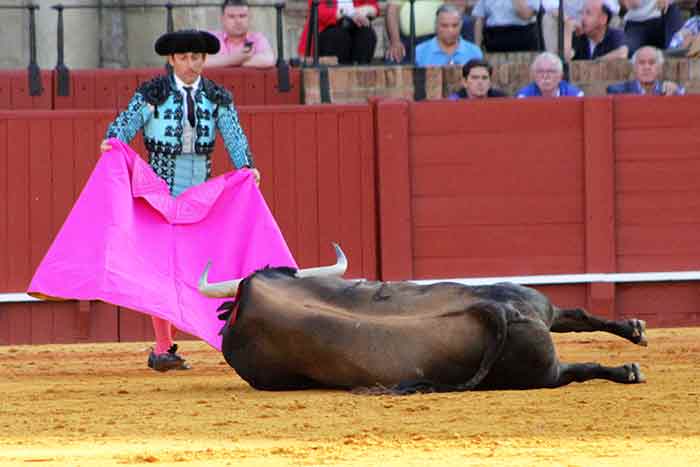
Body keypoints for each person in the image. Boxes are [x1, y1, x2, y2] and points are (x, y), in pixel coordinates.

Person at [101, 29, 261, 372]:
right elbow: (122, 130)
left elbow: (234, 135)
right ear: (172, 60)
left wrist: (246, 168)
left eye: (198, 58)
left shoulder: (217, 96)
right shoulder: (152, 94)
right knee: (162, 269)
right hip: (158, 191)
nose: (192, 65)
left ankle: (217, 338)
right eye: (185, 58)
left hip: (200, 194)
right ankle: (162, 348)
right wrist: (112, 143)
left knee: (207, 264)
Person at [385, 0, 475, 63]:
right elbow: (392, 11)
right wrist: (395, 41)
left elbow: (459, 6)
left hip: (437, 39)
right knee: (391, 66)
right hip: (407, 41)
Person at [297, 0, 379, 64]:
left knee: (367, 35)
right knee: (338, 36)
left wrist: (365, 10)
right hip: (327, 32)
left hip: (355, 28)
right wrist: (350, 12)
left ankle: (360, 78)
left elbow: (374, 7)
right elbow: (319, 11)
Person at [206, 0, 275, 68]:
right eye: (231, 16)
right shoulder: (213, 38)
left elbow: (269, 60)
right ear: (223, 19)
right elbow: (201, 62)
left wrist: (223, 62)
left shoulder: (257, 39)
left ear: (250, 18)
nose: (238, 21)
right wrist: (239, 58)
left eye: (242, 16)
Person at [415, 4, 483, 66]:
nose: (450, 30)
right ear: (436, 25)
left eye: (455, 25)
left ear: (461, 25)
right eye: (444, 26)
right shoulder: (420, 52)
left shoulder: (474, 52)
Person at [606, 45, 684, 94]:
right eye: (641, 63)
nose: (647, 67)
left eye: (652, 63)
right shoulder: (617, 91)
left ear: (660, 68)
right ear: (634, 68)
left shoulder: (670, 90)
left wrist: (676, 91)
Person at [472, 0, 542, 52]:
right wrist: (477, 48)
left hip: (522, 36)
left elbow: (526, 15)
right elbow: (479, 19)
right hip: (494, 38)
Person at [516, 52, 585, 97]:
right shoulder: (524, 96)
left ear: (560, 76)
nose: (545, 76)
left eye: (551, 71)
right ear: (534, 76)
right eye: (540, 71)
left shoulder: (575, 95)